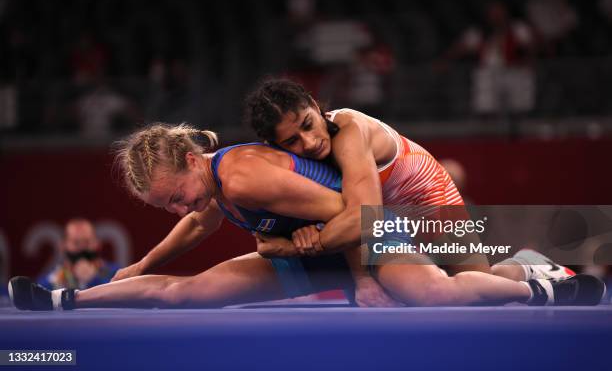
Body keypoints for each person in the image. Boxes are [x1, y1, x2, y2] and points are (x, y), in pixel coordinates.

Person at [9, 123, 605, 311]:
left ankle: (538, 282)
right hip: (321, 247)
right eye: (164, 205)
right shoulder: (211, 188)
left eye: (177, 192)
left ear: (194, 160)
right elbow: (196, 226)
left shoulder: (241, 175)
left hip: (374, 230)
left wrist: (368, 278)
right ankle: (65, 301)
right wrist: (139, 263)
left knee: (435, 294)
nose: (179, 206)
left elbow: (357, 213)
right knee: (181, 294)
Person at [244, 78, 573, 284]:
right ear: (276, 145)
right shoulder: (294, 160)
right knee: (420, 287)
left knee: (479, 280)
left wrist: (304, 242)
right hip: (389, 216)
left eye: (308, 123)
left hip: (430, 198)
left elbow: (365, 219)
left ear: (316, 106)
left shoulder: (349, 131)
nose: (310, 142)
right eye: (293, 141)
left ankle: (532, 264)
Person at [38, 218, 121, 290]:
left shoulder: (116, 274)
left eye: (87, 242)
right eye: (76, 243)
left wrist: (94, 280)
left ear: (97, 244)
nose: (82, 248)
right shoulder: (50, 282)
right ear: (62, 246)